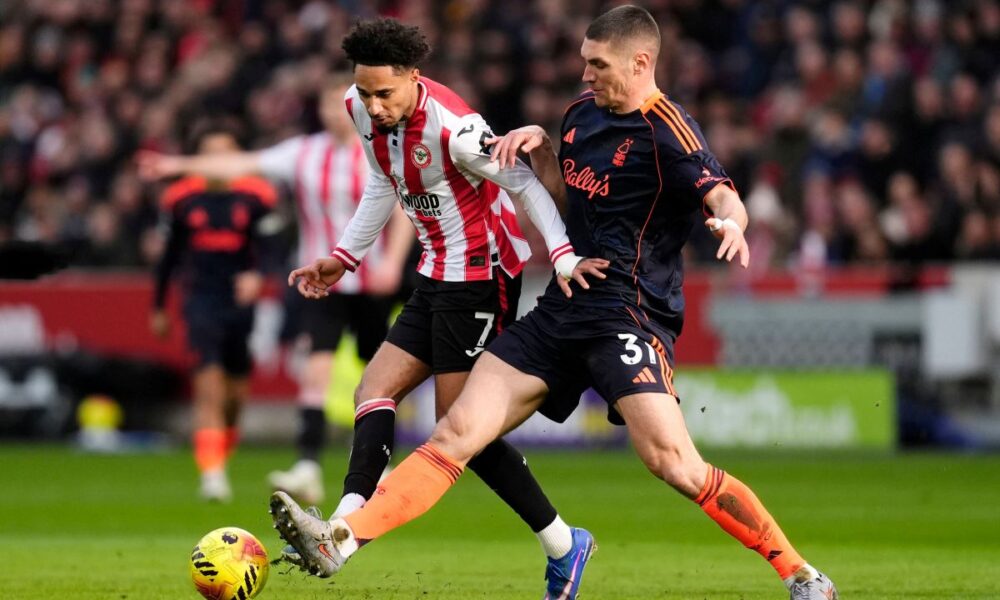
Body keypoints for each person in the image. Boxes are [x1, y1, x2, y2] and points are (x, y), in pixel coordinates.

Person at [271, 6, 839, 600]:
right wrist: (541, 149)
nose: (585, 74)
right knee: (455, 431)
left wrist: (732, 223)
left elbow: (723, 196)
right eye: (584, 61)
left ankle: (801, 574)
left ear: (641, 62)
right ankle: (343, 539)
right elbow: (564, 195)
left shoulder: (669, 129)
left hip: (629, 313)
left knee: (675, 464)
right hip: (564, 306)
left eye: (598, 64)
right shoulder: (578, 117)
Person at [275, 17, 608, 599]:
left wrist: (560, 258)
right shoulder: (357, 106)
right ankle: (339, 526)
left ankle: (563, 542)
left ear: (413, 77)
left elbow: (525, 185)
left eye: (386, 94)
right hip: (435, 271)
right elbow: (383, 183)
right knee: (372, 390)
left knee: (460, 433)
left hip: (482, 278)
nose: (373, 106)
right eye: (367, 93)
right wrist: (343, 257)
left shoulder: (456, 130)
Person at [139, 74, 413, 506]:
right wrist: (176, 167)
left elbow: (400, 207)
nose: (332, 113)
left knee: (378, 377)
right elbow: (238, 163)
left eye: (340, 104)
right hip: (321, 281)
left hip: (370, 280)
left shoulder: (380, 150)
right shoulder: (303, 153)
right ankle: (307, 464)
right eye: (325, 105)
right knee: (315, 370)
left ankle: (383, 461)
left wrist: (394, 263)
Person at [150, 124, 276, 502]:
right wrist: (158, 305)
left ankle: (220, 453)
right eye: (209, 153)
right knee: (209, 387)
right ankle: (213, 475)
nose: (218, 161)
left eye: (225, 152)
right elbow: (168, 257)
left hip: (240, 304)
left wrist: (258, 276)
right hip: (200, 300)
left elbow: (272, 249)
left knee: (235, 396)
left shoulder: (258, 196)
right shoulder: (180, 199)